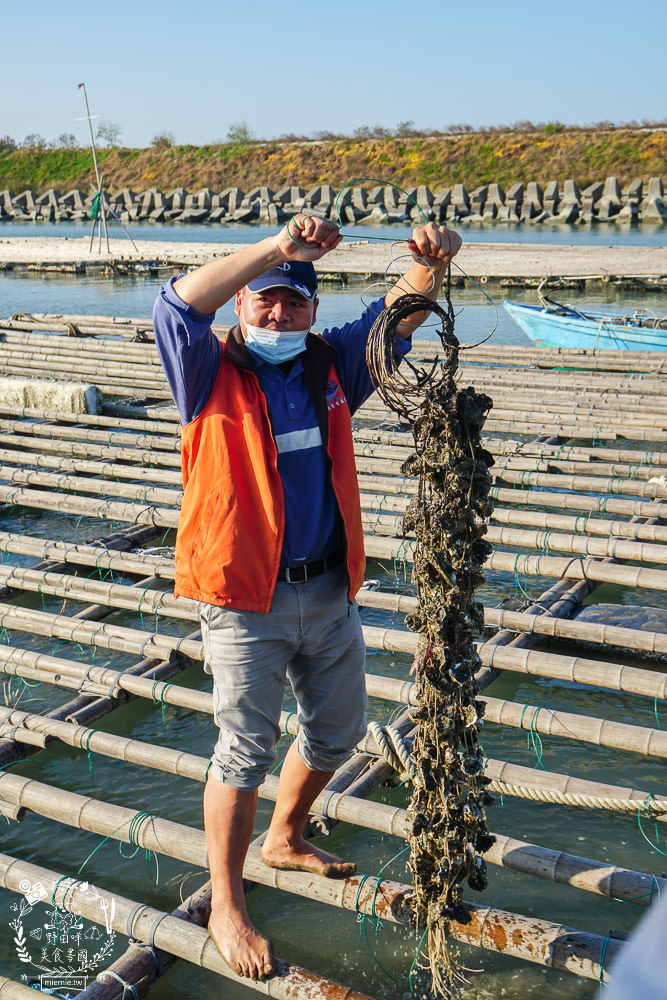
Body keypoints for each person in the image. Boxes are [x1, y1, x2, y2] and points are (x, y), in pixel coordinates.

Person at [152, 214, 462, 981]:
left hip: (326, 588)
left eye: (293, 302)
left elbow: (396, 318)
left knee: (338, 731)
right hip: (240, 598)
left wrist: (430, 263)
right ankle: (227, 904)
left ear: (312, 311)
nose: (276, 314)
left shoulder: (330, 365)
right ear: (240, 302)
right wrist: (275, 249)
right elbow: (174, 307)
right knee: (244, 749)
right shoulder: (203, 367)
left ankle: (284, 836)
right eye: (264, 299)